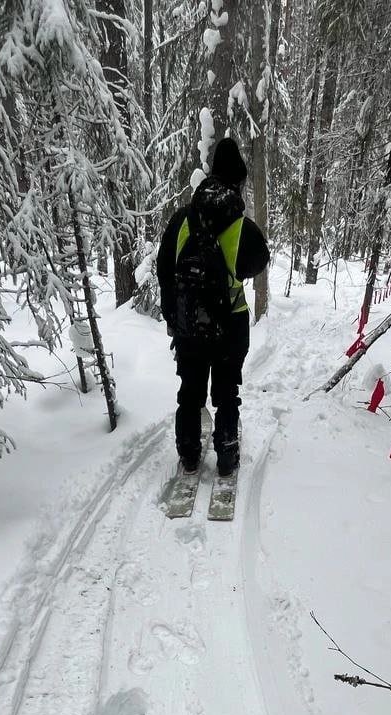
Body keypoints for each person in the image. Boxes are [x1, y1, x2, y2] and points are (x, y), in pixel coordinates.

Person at [156, 137, 270, 477]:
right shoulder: (242, 228)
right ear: (238, 181)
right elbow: (258, 262)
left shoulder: (181, 221)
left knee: (190, 393)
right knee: (225, 394)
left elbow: (164, 271)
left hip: (190, 325)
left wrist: (174, 318)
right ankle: (226, 457)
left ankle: (189, 455)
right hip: (230, 326)